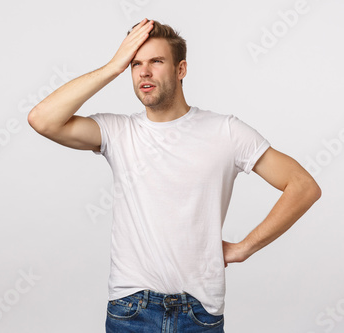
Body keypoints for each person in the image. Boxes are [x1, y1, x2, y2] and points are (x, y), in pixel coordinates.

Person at [27, 18, 321, 333]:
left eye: (156, 61)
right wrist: (113, 66)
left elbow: (303, 186)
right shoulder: (119, 131)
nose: (144, 71)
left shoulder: (226, 131)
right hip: (131, 310)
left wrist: (244, 247)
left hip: (200, 313)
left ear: (181, 70)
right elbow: (43, 120)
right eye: (135, 63)